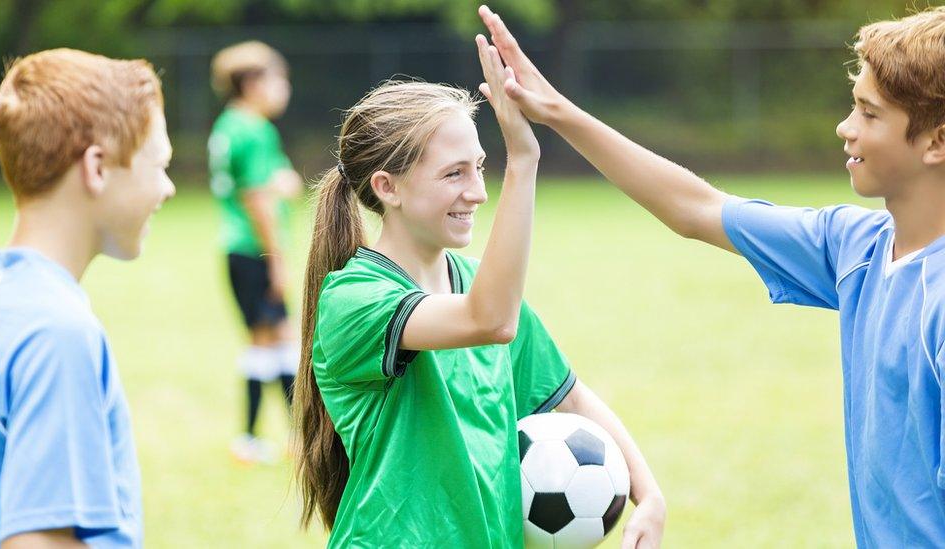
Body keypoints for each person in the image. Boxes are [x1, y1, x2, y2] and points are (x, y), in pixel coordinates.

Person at [477, 4, 945, 546]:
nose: (845, 127)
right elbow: (695, 208)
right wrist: (556, 111)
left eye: (869, 113)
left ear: (936, 141)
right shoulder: (854, 247)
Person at [293, 33, 665, 549]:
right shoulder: (354, 299)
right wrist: (524, 160)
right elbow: (488, 320)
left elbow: (570, 397)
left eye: (482, 167)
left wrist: (648, 493)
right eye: (454, 173)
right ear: (387, 187)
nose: (478, 191)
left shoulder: (479, 285)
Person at [0, 48, 174, 547]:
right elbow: (37, 539)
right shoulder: (57, 331)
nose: (167, 187)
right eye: (159, 164)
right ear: (97, 167)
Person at [208, 41, 304, 464]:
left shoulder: (229, 125)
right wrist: (277, 258)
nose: (283, 88)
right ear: (251, 83)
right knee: (271, 341)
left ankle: (287, 437)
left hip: (236, 248)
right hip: (254, 249)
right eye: (276, 79)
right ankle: (260, 438)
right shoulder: (255, 130)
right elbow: (258, 199)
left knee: (274, 339)